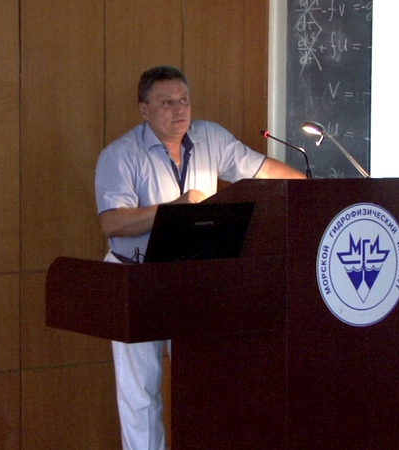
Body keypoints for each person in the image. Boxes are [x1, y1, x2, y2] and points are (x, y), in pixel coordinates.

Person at [94, 65, 305, 450]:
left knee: (202, 383)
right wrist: (172, 210)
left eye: (184, 100)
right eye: (167, 103)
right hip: (136, 279)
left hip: (193, 279)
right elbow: (112, 222)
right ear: (144, 109)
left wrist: (311, 188)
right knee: (141, 395)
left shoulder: (210, 137)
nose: (179, 110)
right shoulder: (120, 155)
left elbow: (260, 170)